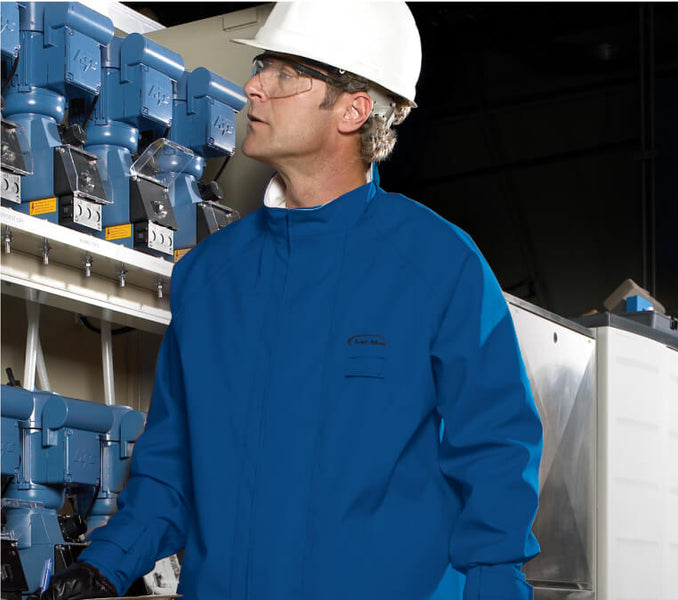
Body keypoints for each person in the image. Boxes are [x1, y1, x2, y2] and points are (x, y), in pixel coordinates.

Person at [43, 3, 543, 599]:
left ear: (355, 109)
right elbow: (172, 463)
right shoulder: (209, 277)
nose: (253, 85)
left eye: (283, 73)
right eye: (262, 66)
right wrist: (105, 565)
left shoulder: (439, 265)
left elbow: (495, 457)